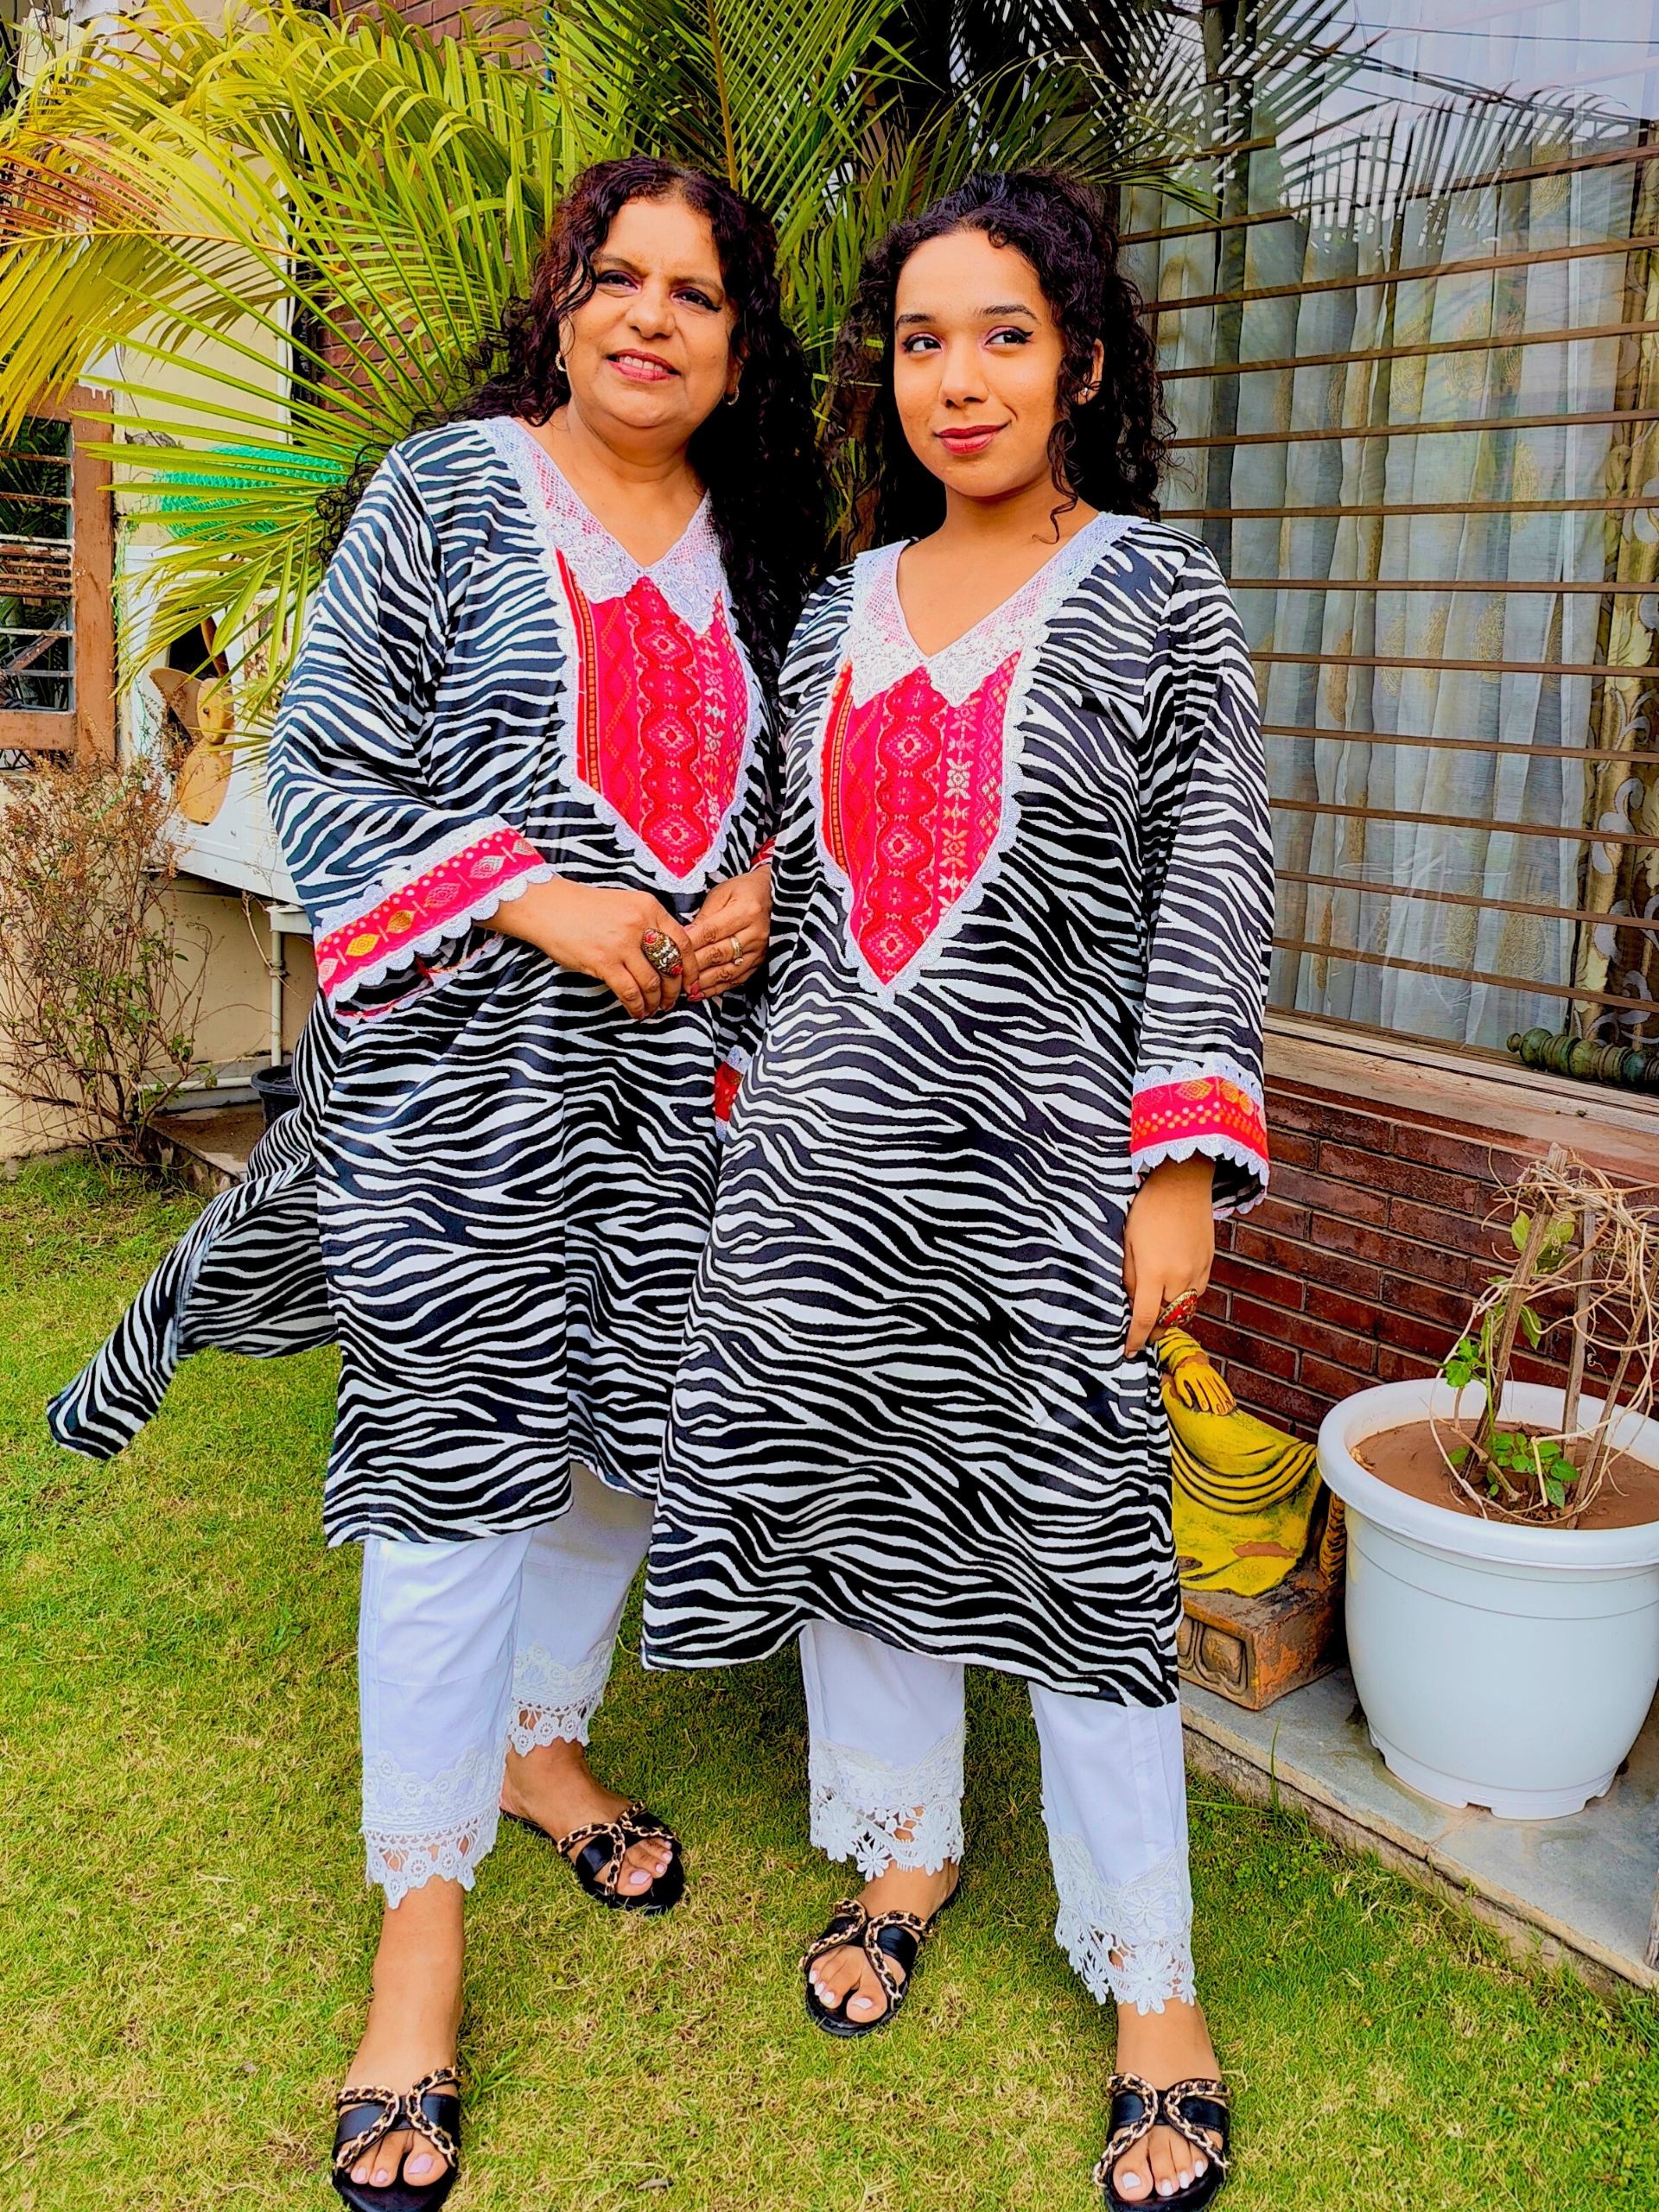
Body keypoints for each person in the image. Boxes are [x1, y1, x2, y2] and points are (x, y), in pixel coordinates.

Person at [48, 156, 820, 2209]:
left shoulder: (758, 558)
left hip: (680, 1102)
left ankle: (538, 1741)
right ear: (562, 302)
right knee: (451, 1470)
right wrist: (547, 901)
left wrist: (751, 905)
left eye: (697, 292)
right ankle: (420, 1933)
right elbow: (326, 770)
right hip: (462, 1094)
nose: (652, 317)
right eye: (617, 278)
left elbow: (798, 811)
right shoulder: (448, 492)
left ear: (739, 344)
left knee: (624, 1453)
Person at [641, 170, 1271, 2210]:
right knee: (860, 1535)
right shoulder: (838, 604)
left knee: (1087, 1573)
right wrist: (722, 926)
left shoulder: (1165, 597)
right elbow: (800, 864)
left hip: (1046, 1179)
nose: (963, 377)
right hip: (825, 1161)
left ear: (1082, 357)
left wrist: (1174, 1164)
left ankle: (1150, 1987)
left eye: (1006, 332)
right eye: (922, 340)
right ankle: (903, 1849)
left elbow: (1214, 885)